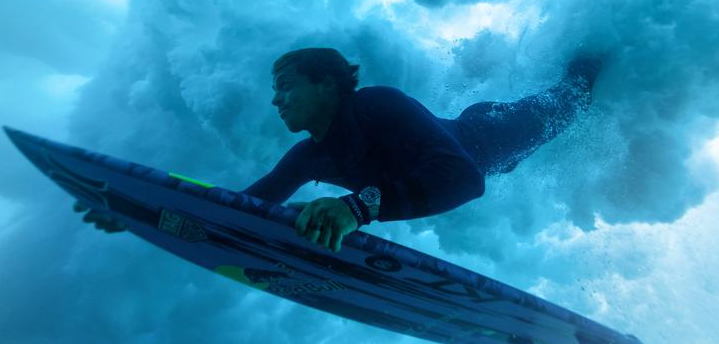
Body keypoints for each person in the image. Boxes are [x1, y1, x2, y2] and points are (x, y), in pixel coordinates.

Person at [77, 47, 602, 253]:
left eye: (285, 85)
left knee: (571, 100)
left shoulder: (379, 104)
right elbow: (246, 206)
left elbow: (464, 180)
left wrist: (353, 208)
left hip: (495, 135)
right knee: (566, 101)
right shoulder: (311, 157)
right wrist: (141, 210)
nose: (277, 99)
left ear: (328, 84)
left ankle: (601, 52)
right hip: (470, 137)